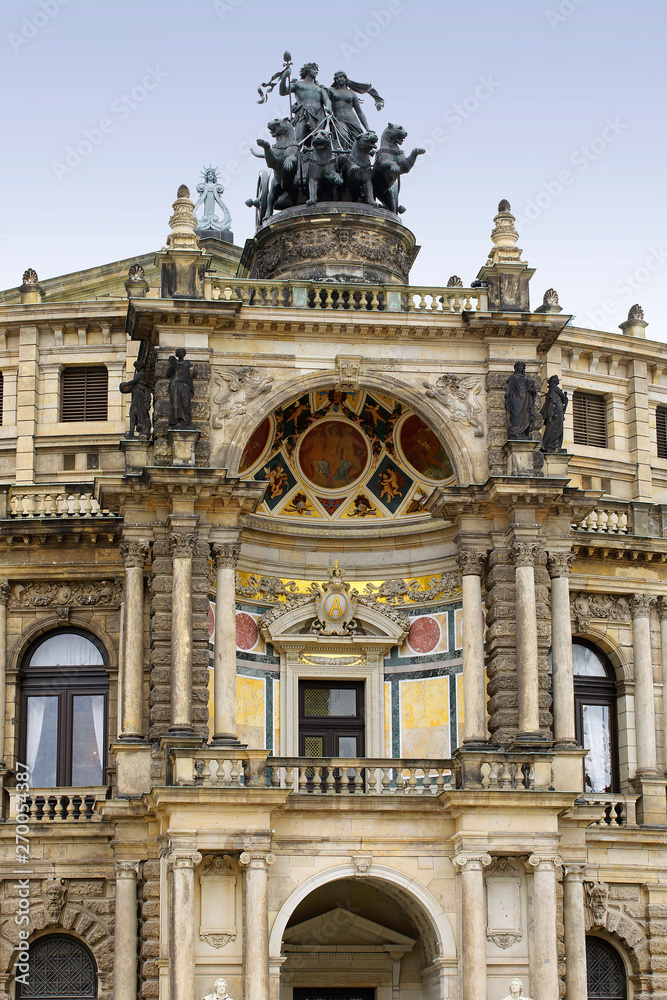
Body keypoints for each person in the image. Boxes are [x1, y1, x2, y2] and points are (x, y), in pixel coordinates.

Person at [328, 70, 384, 150]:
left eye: (341, 77)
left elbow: (359, 112)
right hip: (339, 120)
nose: (339, 79)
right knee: (343, 135)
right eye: (336, 78)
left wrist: (367, 128)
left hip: (353, 121)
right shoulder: (331, 91)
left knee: (357, 141)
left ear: (345, 78)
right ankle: (342, 155)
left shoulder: (352, 94)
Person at [279, 61, 331, 146]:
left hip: (319, 115)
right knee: (299, 139)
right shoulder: (298, 84)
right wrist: (284, 77)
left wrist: (329, 108)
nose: (316, 71)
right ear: (307, 70)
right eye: (314, 69)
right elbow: (283, 92)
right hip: (303, 113)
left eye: (317, 69)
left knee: (318, 139)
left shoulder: (320, 88)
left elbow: (327, 100)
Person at [119, 360, 151, 438]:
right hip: (137, 394)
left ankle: (139, 427)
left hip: (139, 395)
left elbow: (134, 381)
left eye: (137, 367)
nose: (136, 368)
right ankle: (131, 431)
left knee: (136, 410)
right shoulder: (139, 374)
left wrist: (125, 384)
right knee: (132, 411)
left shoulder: (141, 374)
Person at [505, 361, 537, 439]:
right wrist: (507, 394)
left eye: (522, 366)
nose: (520, 368)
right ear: (516, 367)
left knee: (525, 415)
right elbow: (509, 386)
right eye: (519, 366)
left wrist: (532, 390)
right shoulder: (512, 376)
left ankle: (523, 432)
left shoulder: (526, 377)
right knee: (516, 413)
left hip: (525, 399)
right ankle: (515, 432)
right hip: (516, 398)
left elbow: (529, 387)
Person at [166, 347, 194, 430]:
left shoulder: (188, 364)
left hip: (185, 384)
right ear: (177, 354)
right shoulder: (174, 364)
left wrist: (194, 371)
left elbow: (193, 374)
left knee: (185, 404)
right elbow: (168, 375)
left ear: (184, 354)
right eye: (179, 352)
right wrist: (172, 366)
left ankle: (185, 422)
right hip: (175, 384)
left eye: (182, 352)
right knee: (175, 404)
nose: (181, 354)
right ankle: (177, 422)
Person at [540, 374, 568, 453]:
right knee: (555, 429)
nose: (558, 380)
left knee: (557, 429)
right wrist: (552, 413)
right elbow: (551, 402)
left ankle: (552, 444)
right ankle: (549, 445)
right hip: (556, 412)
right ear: (553, 380)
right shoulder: (553, 387)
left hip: (558, 411)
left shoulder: (555, 389)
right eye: (557, 379)